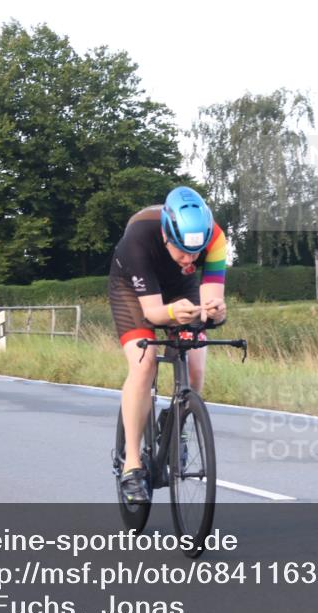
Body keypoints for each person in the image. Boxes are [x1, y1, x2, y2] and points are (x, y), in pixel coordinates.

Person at [108, 187, 227, 504]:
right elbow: (152, 313)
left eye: (196, 253)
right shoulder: (139, 238)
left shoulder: (214, 239)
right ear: (166, 235)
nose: (190, 259)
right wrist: (174, 314)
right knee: (144, 362)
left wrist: (215, 311)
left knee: (195, 362)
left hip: (178, 289)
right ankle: (132, 465)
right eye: (183, 252)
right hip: (134, 292)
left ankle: (177, 424)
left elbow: (213, 298)